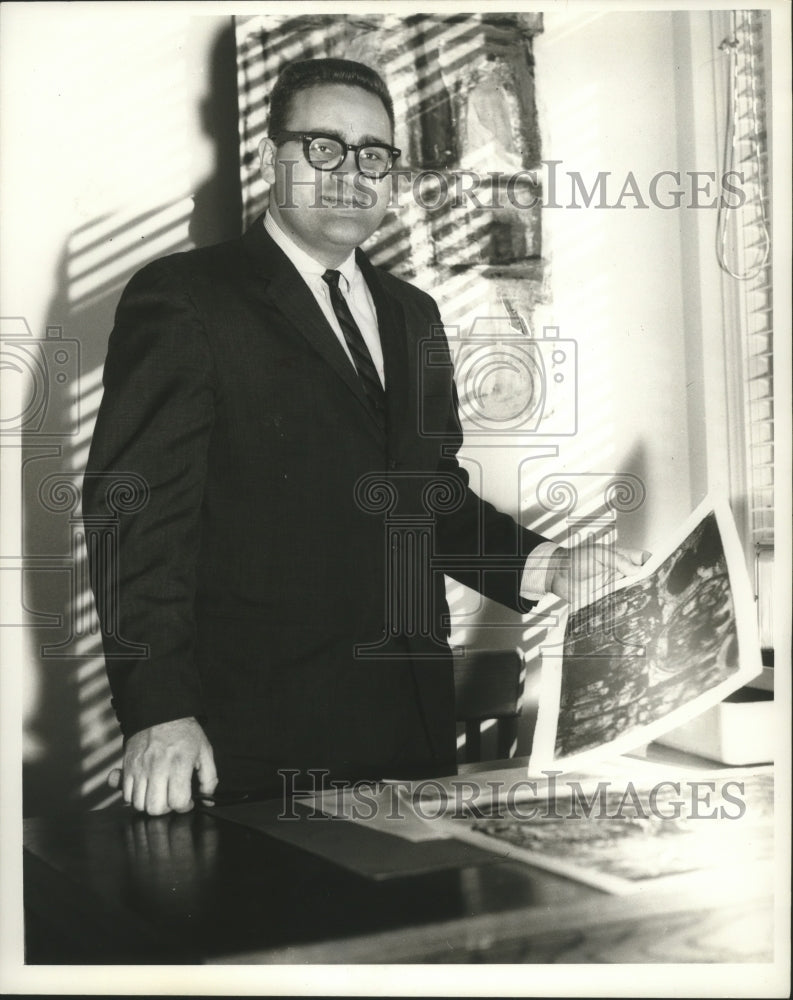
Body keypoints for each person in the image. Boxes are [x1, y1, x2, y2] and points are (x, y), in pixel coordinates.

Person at [84, 58, 646, 816]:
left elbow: (430, 501)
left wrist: (552, 566)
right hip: (249, 742)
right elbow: (136, 519)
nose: (352, 172)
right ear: (267, 158)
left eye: (373, 154)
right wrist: (157, 712)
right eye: (324, 147)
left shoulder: (411, 312)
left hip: (407, 731)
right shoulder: (186, 298)